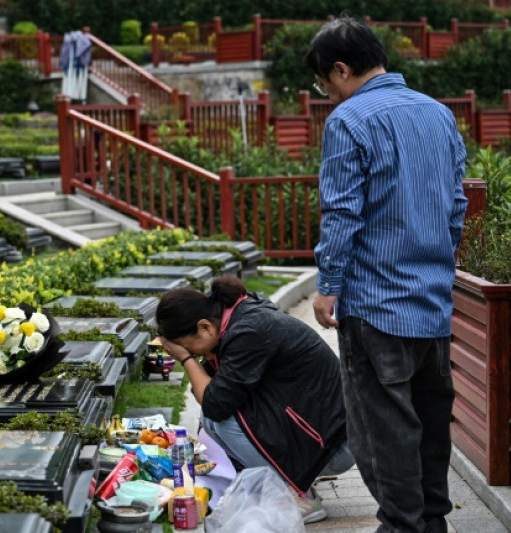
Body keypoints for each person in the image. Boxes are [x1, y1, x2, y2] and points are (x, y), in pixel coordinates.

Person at [305, 15, 468, 533]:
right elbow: (457, 205)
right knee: (430, 425)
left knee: (383, 432)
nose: (327, 94)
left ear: (340, 69)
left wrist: (328, 285)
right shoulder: (438, 113)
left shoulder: (350, 120)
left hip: (376, 305)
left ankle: (402, 526)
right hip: (433, 303)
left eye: (323, 83)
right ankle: (431, 524)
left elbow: (343, 212)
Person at [157, 275, 353, 524]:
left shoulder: (248, 332)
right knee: (216, 418)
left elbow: (215, 403)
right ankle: (285, 483)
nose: (195, 354)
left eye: (190, 347)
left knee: (221, 419)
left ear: (205, 327)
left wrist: (186, 360)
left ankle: (298, 498)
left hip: (335, 449)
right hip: (321, 436)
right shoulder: (238, 319)